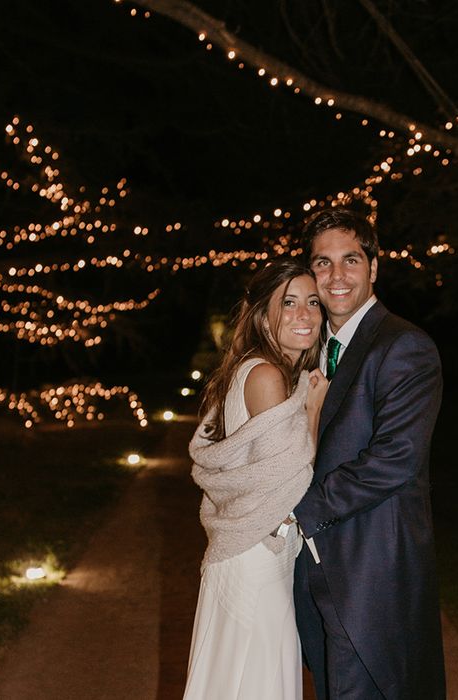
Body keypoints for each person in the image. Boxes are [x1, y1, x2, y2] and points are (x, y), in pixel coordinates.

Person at [292, 209, 446, 699]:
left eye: (351, 260)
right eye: (323, 262)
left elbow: (395, 458)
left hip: (369, 570)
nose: (336, 275)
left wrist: (295, 510)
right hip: (311, 567)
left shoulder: (404, 346)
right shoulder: (309, 349)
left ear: (374, 267)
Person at [184, 258, 329, 700]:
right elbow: (287, 479)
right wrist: (313, 410)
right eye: (289, 303)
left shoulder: (261, 369)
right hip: (256, 558)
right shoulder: (266, 375)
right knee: (257, 681)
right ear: (264, 315)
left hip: (254, 551)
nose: (305, 314)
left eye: (313, 302)